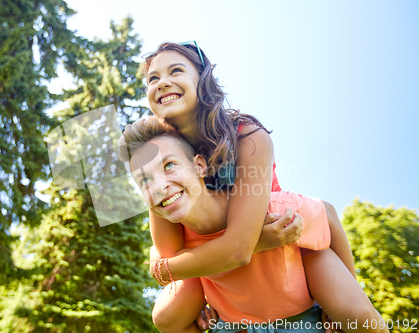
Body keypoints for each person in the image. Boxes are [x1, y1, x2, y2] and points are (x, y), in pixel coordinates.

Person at [127, 42, 388, 333]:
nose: (162, 82)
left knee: (357, 315)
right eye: (152, 79)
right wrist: (172, 268)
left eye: (176, 70)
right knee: (165, 316)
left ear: (202, 80)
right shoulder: (162, 154)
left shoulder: (246, 136)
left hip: (277, 237)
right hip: (212, 248)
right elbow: (166, 250)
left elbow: (322, 214)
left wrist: (162, 268)